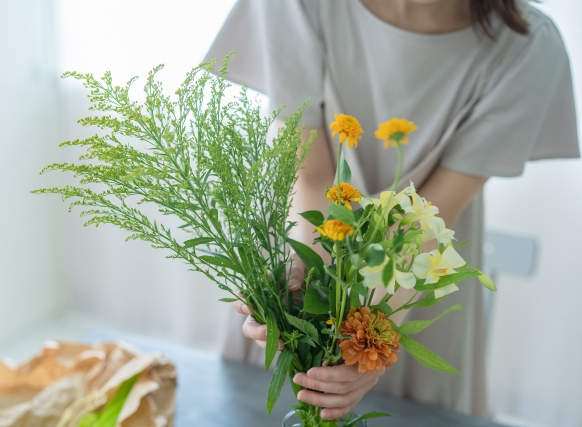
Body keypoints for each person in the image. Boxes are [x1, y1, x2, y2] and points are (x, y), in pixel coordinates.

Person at [204, 0, 579, 420]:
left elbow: (427, 221)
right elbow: (311, 178)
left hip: (412, 282)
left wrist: (370, 342)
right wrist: (304, 289)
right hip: (307, 245)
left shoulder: (526, 46)